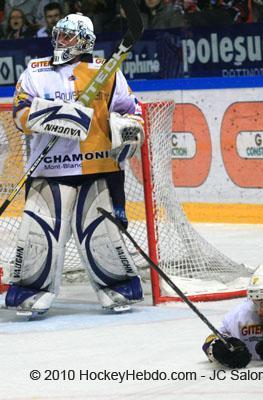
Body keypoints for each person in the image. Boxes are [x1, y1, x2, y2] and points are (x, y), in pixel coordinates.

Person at [5, 13, 145, 316]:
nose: (61, 40)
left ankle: (117, 287)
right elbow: (19, 113)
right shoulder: (35, 70)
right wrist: (56, 116)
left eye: (69, 36)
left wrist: (129, 131)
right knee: (37, 233)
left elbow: (130, 109)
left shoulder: (106, 72)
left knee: (100, 234)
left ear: (85, 41)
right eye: (59, 34)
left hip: (97, 168)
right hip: (48, 170)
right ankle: (31, 291)